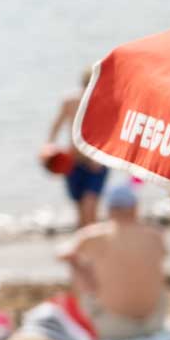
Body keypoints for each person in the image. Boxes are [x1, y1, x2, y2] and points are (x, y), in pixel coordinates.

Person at [59, 182, 167, 340]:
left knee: (75, 262)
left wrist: (85, 270)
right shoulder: (155, 235)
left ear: (109, 209)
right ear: (136, 208)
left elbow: (62, 253)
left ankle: (82, 321)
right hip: (154, 324)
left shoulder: (95, 235)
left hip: (113, 328)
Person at [45, 72, 109, 229]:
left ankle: (95, 249)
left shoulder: (106, 102)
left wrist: (100, 157)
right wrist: (49, 147)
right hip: (73, 162)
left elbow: (111, 132)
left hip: (96, 162)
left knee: (90, 208)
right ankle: (85, 250)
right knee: (80, 212)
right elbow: (56, 126)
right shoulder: (70, 101)